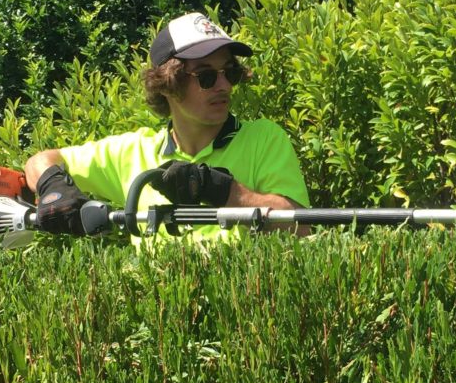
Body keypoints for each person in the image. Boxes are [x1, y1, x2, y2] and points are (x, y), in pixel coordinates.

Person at [23, 12, 310, 237]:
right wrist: (53, 186)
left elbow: (301, 227)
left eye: (229, 72)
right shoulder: (133, 151)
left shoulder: (263, 139)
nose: (223, 85)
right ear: (167, 85)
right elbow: (40, 161)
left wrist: (222, 191)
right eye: (206, 76)